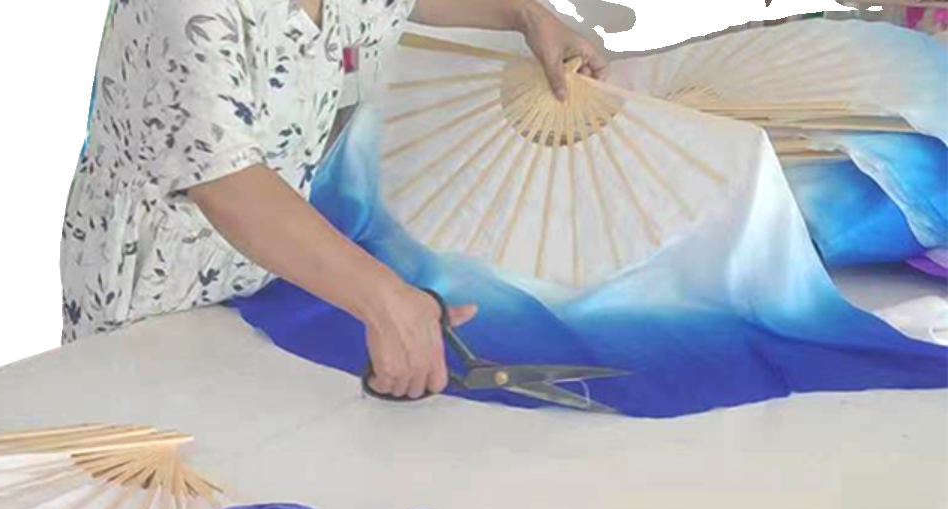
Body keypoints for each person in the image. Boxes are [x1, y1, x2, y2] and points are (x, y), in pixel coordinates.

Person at [62, 1, 608, 399]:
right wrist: (385, 301)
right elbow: (226, 183)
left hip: (265, 282)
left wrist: (524, 14)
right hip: (149, 300)